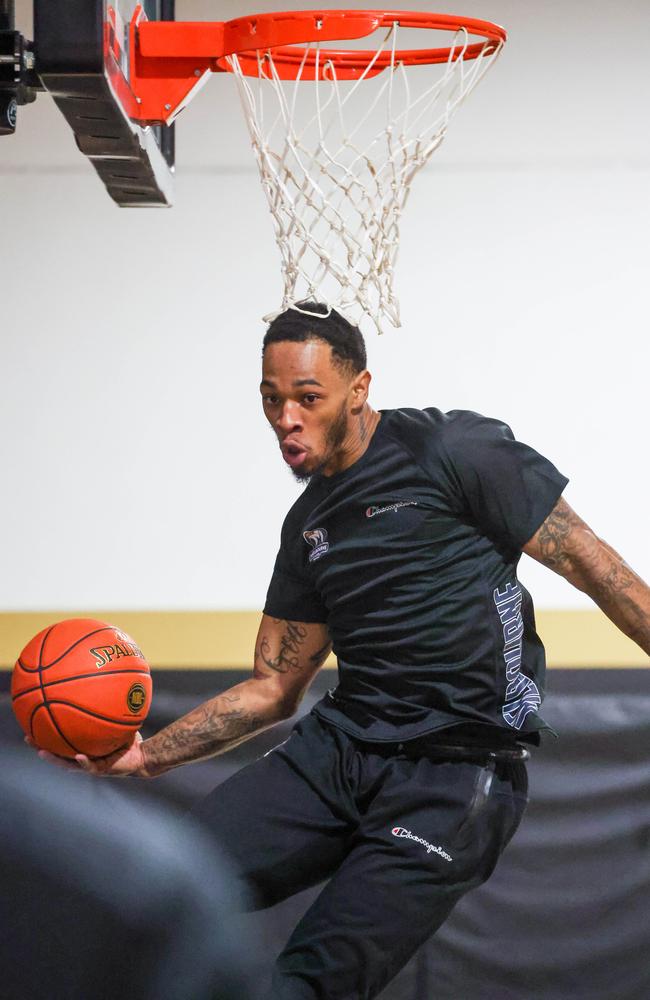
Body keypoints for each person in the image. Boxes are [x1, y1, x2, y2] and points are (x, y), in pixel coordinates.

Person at [34, 304, 650, 1000]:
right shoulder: (308, 527)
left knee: (305, 985)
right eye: (272, 400)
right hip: (337, 753)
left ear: (358, 389)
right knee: (150, 892)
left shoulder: (453, 451)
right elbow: (273, 688)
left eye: (307, 398)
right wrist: (145, 755)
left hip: (456, 776)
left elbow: (597, 566)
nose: (285, 419)